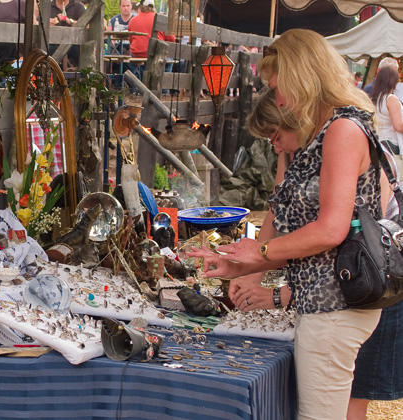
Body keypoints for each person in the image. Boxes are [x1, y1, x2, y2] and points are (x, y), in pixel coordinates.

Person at [189, 29, 383, 419]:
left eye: (278, 87)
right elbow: (293, 223)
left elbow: (330, 230)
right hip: (325, 307)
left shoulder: (343, 130)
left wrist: (259, 252)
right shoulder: (326, 132)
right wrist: (244, 266)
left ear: (304, 76)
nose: (276, 99)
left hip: (334, 307)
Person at [127, 0, 175, 80]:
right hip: (156, 53)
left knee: (135, 60)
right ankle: (164, 88)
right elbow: (171, 39)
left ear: (141, 7)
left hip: (137, 54)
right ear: (153, 7)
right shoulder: (162, 19)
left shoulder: (133, 20)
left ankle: (135, 87)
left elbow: (130, 39)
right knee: (169, 61)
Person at [370, 65, 403, 175]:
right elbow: (398, 126)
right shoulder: (391, 99)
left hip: (379, 142)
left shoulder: (376, 98)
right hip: (391, 143)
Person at [49, 0, 85, 69]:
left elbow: (87, 25)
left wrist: (70, 21)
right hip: (52, 45)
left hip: (73, 46)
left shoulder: (78, 6)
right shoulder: (48, 6)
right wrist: (47, 23)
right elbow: (37, 22)